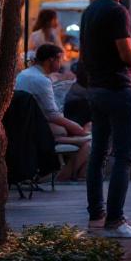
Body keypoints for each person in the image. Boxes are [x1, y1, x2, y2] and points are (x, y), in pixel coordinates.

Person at [80, 0, 131, 238]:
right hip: (119, 87)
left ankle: (97, 214)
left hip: (96, 89)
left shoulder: (91, 9)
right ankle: (115, 220)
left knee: (99, 153)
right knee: (124, 155)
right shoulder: (118, 11)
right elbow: (126, 52)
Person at [16, 44, 89, 179]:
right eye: (59, 59)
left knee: (85, 131)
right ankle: (66, 176)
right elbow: (52, 115)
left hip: (26, 128)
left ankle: (71, 174)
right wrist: (75, 127)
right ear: (51, 60)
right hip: (38, 131)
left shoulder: (24, 74)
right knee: (89, 143)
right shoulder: (41, 80)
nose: (61, 63)